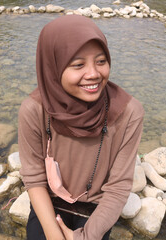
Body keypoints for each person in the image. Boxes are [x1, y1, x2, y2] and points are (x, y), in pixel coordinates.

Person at [18, 15, 144, 240]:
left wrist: (83, 238)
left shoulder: (129, 113)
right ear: (53, 67)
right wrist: (54, 235)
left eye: (101, 61)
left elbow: (117, 187)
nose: (94, 74)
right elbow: (34, 179)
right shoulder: (34, 110)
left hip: (96, 208)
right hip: (50, 202)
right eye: (78, 65)